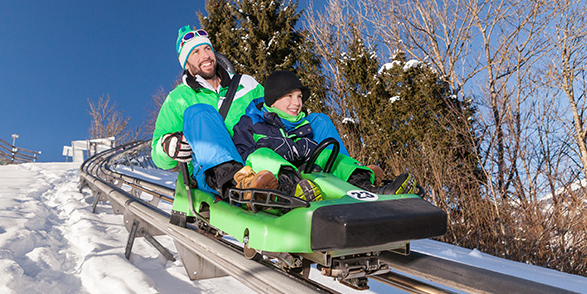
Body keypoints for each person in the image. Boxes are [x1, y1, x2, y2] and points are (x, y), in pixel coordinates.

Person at [232, 70, 418, 197]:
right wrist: (275, 149)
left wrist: (304, 149)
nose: (296, 103)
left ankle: (367, 188)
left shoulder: (304, 123)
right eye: (289, 96)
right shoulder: (250, 122)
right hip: (277, 182)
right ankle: (296, 190)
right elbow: (243, 156)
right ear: (272, 100)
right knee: (261, 156)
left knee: (330, 154)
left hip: (308, 175)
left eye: (299, 97)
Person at [151, 26, 277, 196]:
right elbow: (158, 156)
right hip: (210, 174)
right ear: (186, 64)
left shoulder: (246, 84)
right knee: (200, 112)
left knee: (318, 121)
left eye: (207, 48)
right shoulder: (179, 98)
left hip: (256, 159)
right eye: (195, 52)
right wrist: (167, 147)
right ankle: (236, 184)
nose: (205, 55)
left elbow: (275, 113)